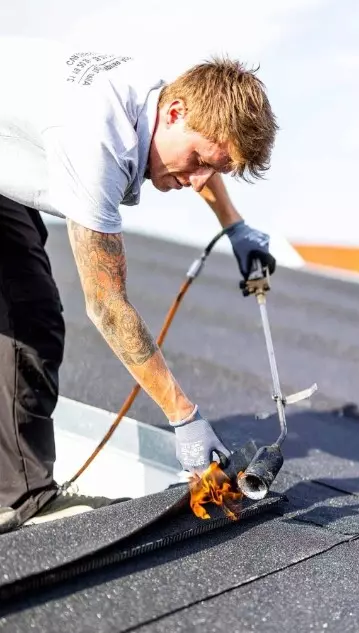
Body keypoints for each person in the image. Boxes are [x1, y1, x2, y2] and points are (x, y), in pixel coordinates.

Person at [0, 37, 278, 532]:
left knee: (27, 313)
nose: (199, 181)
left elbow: (204, 148)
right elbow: (106, 304)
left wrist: (233, 225)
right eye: (198, 160)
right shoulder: (95, 139)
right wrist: (183, 415)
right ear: (173, 113)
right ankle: (23, 500)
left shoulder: (161, 100)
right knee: (27, 313)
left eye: (216, 169)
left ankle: (17, 488)